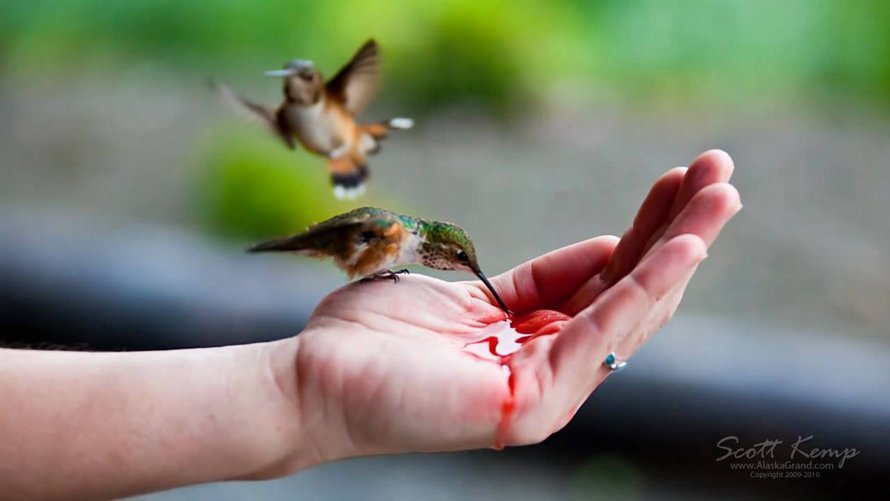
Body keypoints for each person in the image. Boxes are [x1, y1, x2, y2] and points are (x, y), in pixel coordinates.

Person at [0, 150, 741, 499]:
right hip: (355, 252)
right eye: (458, 263)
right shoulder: (397, 238)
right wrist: (303, 390)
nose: (462, 272)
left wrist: (301, 394)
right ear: (438, 252)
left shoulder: (418, 246)